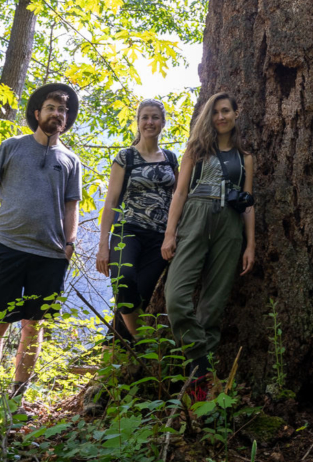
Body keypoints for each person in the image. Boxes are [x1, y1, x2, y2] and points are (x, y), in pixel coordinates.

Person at [0, 83, 81, 398]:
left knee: (34, 327)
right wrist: (0, 225)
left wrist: (69, 243)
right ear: (37, 113)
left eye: (62, 110)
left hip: (50, 255)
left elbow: (71, 205)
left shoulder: (71, 161)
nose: (57, 114)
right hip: (9, 249)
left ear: (66, 118)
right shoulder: (12, 146)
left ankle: (18, 398)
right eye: (51, 108)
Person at [162, 92, 255, 395]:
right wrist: (170, 232)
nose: (220, 117)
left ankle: (199, 389)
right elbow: (179, 193)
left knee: (212, 306)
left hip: (229, 225)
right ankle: (200, 359)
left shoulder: (246, 159)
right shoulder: (196, 150)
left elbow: (249, 204)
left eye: (226, 111)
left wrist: (250, 245)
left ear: (236, 114)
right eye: (215, 112)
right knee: (175, 297)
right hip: (195, 217)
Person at [96, 99, 178, 339]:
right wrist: (103, 245)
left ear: (162, 123)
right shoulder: (126, 157)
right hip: (127, 230)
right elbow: (111, 203)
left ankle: (120, 349)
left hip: (159, 239)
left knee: (139, 294)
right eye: (145, 117)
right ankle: (142, 344)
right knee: (123, 280)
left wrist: (173, 234)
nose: (149, 122)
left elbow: (178, 199)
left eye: (155, 117)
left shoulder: (171, 159)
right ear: (138, 122)